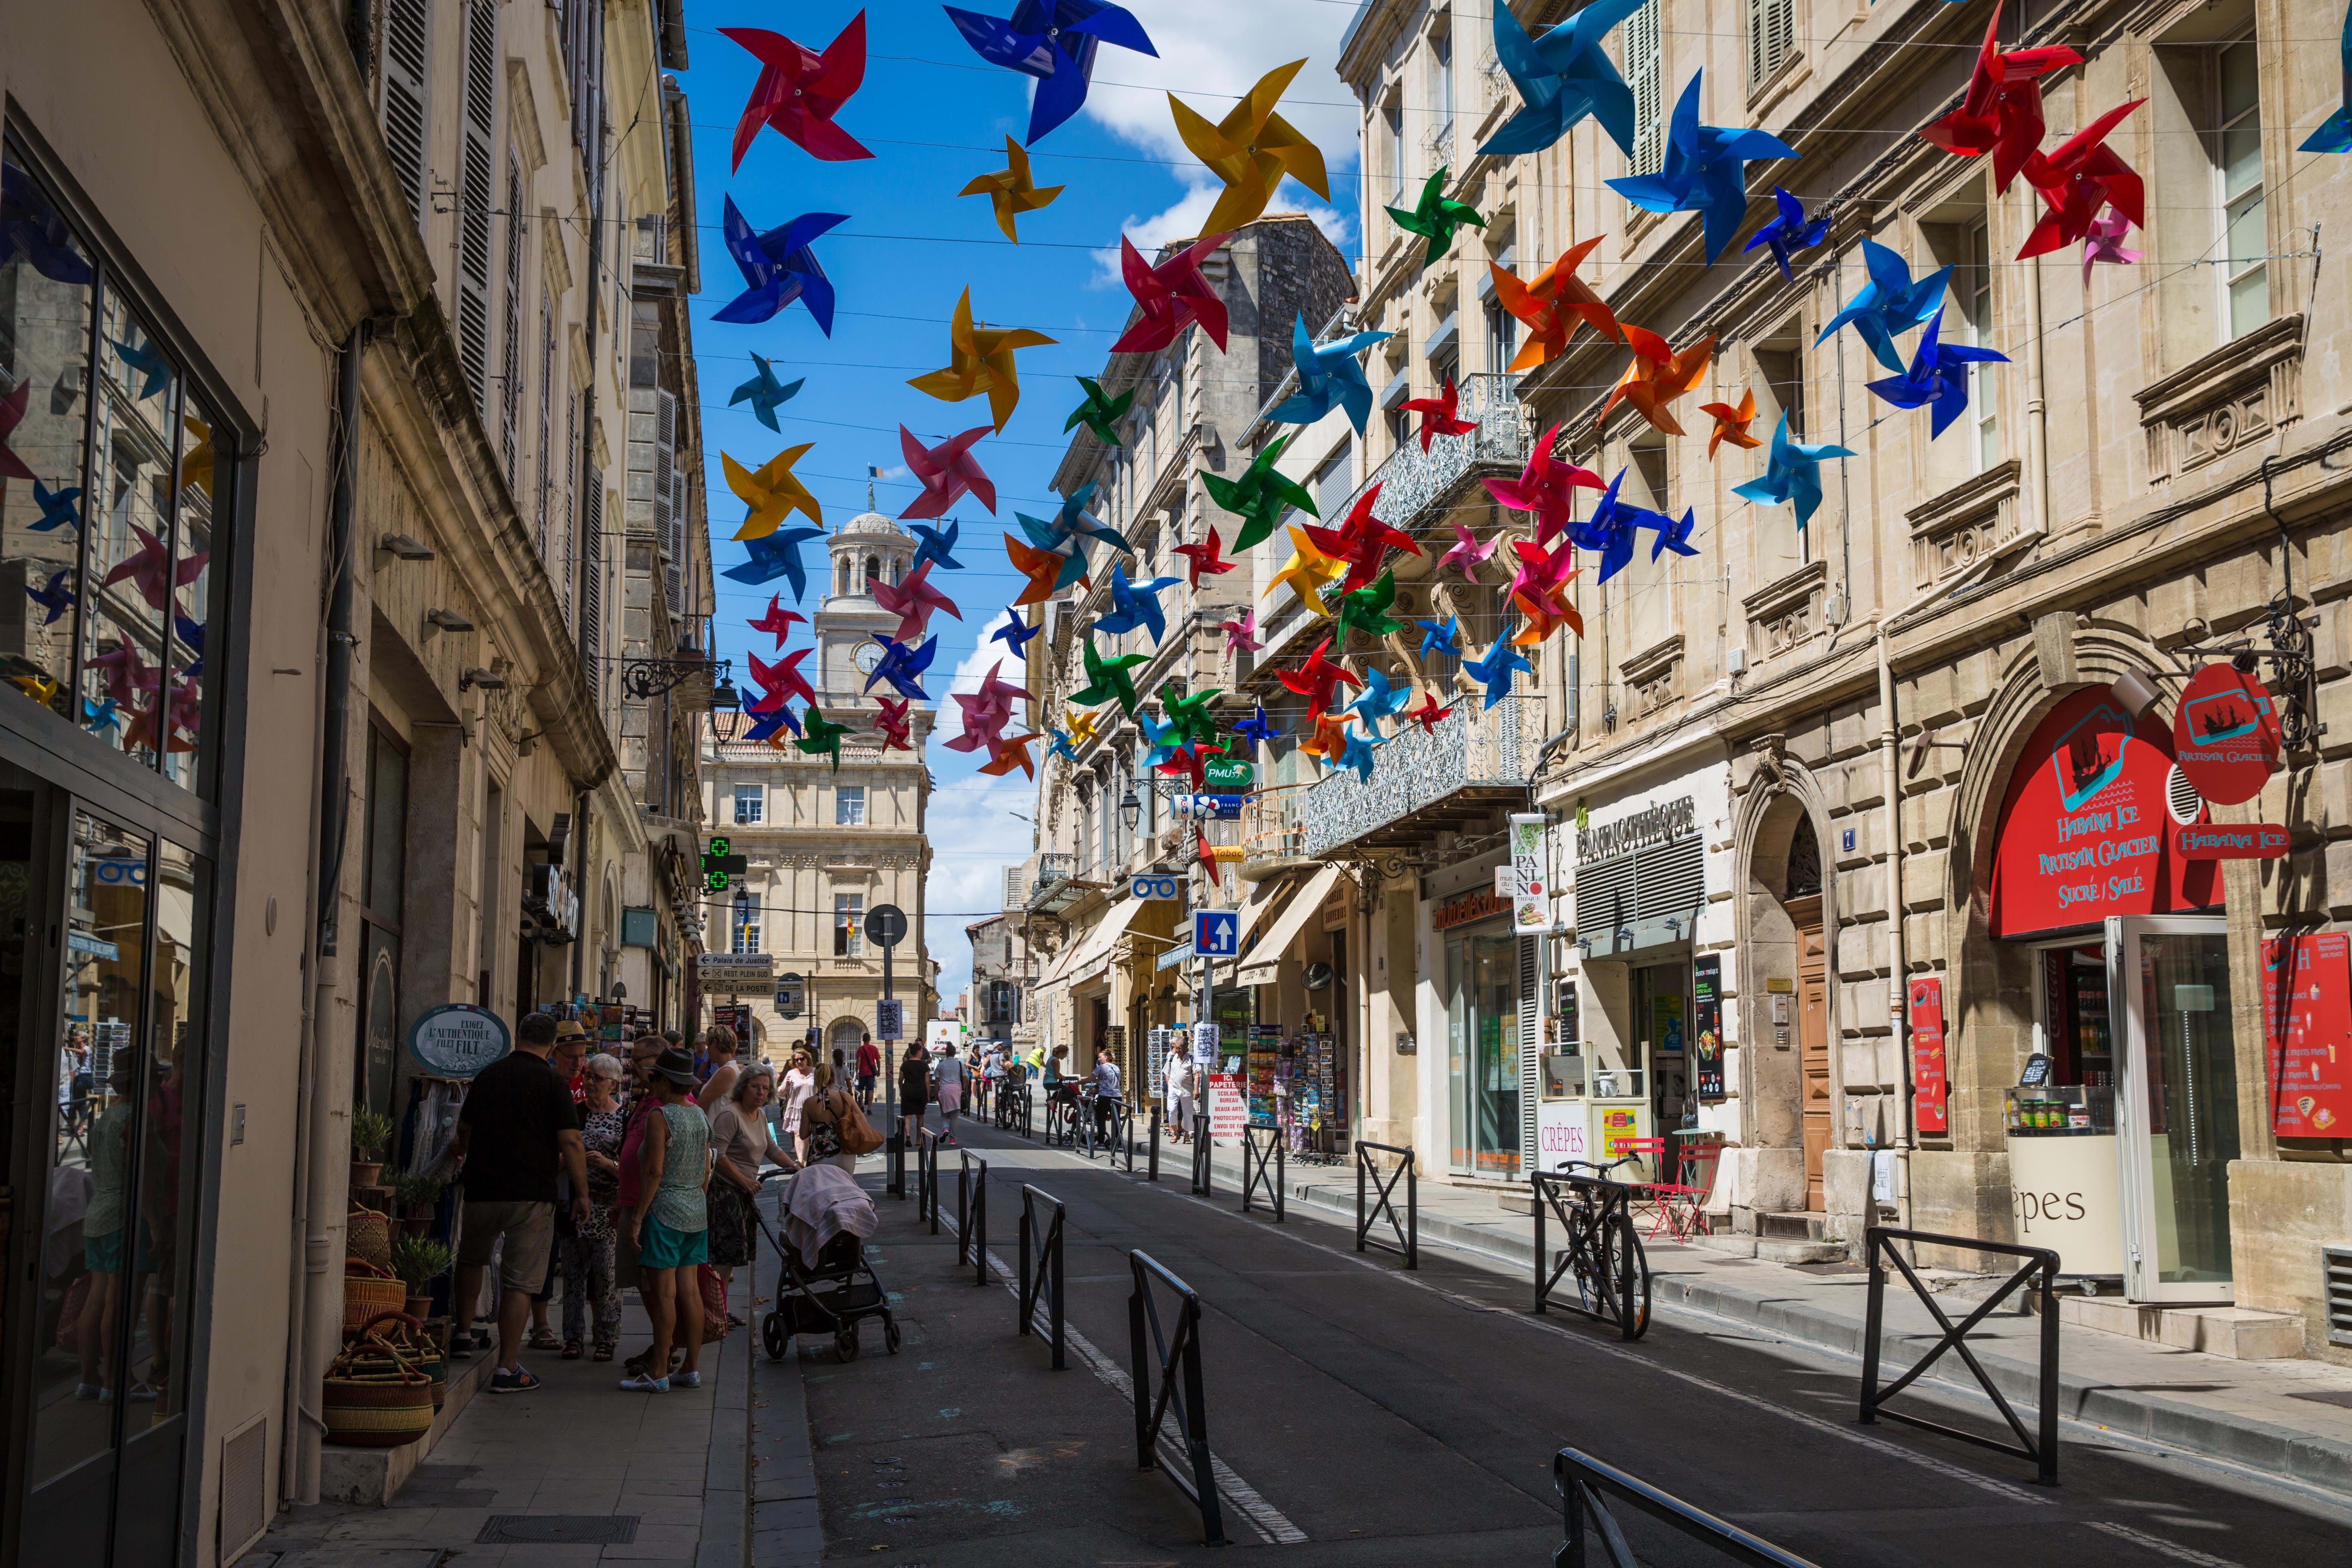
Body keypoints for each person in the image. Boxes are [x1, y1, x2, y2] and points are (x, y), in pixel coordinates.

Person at [448, 1012, 590, 1394]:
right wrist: (582, 1193)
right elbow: (572, 1142)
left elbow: (464, 1128)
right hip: (531, 1193)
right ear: (551, 1046)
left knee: (471, 1258)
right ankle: (507, 1367)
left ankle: (462, 1333)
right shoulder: (552, 1083)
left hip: (482, 1187)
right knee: (520, 1281)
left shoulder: (488, 1076)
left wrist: (463, 1151)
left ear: (519, 1036)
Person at [622, 1047, 710, 1393]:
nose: (652, 1084)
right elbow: (705, 1170)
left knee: (663, 1294)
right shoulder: (699, 1115)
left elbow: (654, 1171)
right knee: (690, 1292)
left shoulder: (661, 1116)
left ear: (665, 1081)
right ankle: (691, 1368)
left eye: (655, 1078)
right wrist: (696, 1199)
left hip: (665, 1212)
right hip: (695, 1211)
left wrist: (638, 1218)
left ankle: (659, 1370)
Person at [708, 1065, 791, 1318]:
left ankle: (717, 1310)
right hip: (725, 1192)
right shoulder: (730, 1115)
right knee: (724, 1257)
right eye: (755, 1087)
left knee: (732, 1258)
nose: (761, 1093)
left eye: (766, 1089)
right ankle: (715, 1312)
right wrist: (743, 1180)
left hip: (744, 1193)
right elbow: (716, 1155)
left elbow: (772, 1149)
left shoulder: (760, 1115)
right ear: (743, 1087)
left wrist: (796, 1167)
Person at [563, 1054, 627, 1361]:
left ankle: (606, 1337)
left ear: (614, 1084)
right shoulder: (575, 1114)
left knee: (607, 1277)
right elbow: (558, 1154)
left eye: (597, 1078)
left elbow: (631, 1169)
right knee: (573, 1276)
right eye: (588, 1076)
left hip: (608, 1208)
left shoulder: (624, 1118)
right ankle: (573, 1338)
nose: (589, 1082)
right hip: (575, 1205)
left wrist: (607, 1164)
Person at [799, 1062, 865, 1174]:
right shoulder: (845, 1097)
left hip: (819, 1156)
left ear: (816, 1079)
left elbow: (803, 1134)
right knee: (844, 1189)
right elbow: (862, 1121)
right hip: (845, 1154)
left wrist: (818, 1128)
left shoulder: (809, 1103)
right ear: (834, 1078)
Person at [778, 1049, 818, 1163]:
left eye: (802, 1059)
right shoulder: (791, 1074)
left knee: (812, 1133)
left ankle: (812, 1158)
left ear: (807, 1059)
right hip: (797, 1108)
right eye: (796, 1060)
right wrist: (786, 1085)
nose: (799, 1062)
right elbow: (781, 1093)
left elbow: (821, 1088)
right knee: (798, 1133)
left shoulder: (815, 1072)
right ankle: (801, 1160)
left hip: (813, 1108)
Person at [695, 1025, 742, 1111]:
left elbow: (699, 1106)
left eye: (708, 1046)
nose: (708, 1050)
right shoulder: (729, 1068)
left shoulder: (727, 1071)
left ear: (714, 1043)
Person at [896, 1040, 930, 1149]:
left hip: (908, 1091)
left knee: (908, 1116)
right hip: (921, 1091)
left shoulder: (905, 1064)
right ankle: (918, 1139)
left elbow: (900, 1080)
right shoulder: (924, 1065)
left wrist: (902, 1090)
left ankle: (908, 1135)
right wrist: (928, 1094)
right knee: (920, 1116)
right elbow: (927, 1082)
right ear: (919, 1052)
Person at [931, 1042, 966, 1146]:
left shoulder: (941, 1065)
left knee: (944, 1114)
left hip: (944, 1091)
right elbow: (965, 1078)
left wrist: (936, 1093)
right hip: (956, 1091)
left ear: (946, 1053)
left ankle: (945, 1129)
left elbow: (937, 1082)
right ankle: (953, 1139)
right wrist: (963, 1090)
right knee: (954, 1117)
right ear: (955, 1053)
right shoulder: (960, 1065)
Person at [1091, 1047, 1121, 1144]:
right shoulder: (1117, 1068)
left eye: (1101, 1057)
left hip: (1104, 1096)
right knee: (1116, 1120)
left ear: (1107, 1058)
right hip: (1117, 1096)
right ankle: (1119, 1143)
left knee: (1101, 1119)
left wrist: (1077, 1083)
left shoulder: (1101, 1068)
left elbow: (1090, 1079)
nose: (1099, 1059)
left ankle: (1101, 1142)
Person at [1165, 1047, 1194, 1144]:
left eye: (1180, 1048)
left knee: (1188, 1112)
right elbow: (1167, 1073)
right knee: (1172, 1110)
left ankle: (1187, 1135)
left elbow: (1197, 1074)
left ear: (1185, 1048)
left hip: (1187, 1089)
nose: (1178, 1050)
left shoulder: (1191, 1059)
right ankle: (1175, 1133)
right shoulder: (1172, 1058)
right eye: (1176, 1048)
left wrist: (1196, 1089)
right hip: (1174, 1089)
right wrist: (1170, 1086)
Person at [855, 1032, 880, 1108]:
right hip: (871, 1073)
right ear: (870, 1039)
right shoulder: (874, 1049)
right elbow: (878, 1060)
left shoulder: (861, 1049)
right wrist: (879, 1070)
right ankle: (869, 1108)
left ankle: (861, 1106)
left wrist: (857, 1072)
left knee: (860, 1090)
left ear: (863, 1040)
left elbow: (859, 1061)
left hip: (863, 1073)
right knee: (870, 1091)